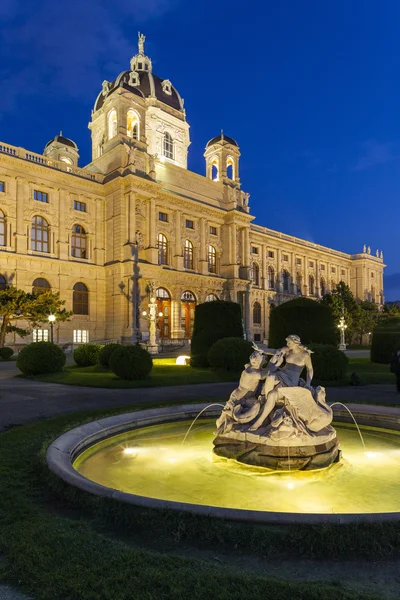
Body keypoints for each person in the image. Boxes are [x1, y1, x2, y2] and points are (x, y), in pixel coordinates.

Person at [248, 335, 314, 431]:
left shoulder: (305, 355)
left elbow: (310, 369)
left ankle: (261, 418)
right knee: (270, 376)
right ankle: (264, 410)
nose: (287, 344)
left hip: (291, 381)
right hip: (281, 374)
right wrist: (261, 350)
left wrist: (308, 383)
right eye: (287, 343)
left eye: (289, 342)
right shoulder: (287, 350)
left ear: (296, 343)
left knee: (272, 395)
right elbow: (274, 352)